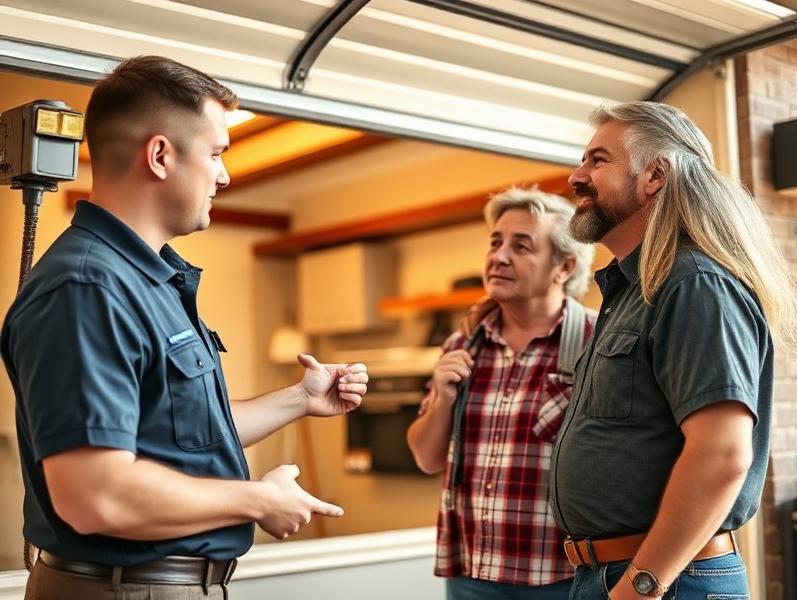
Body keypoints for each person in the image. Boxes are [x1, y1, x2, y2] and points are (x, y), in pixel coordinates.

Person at [0, 55, 369, 600]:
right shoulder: (88, 288)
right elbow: (94, 495)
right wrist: (256, 499)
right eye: (216, 153)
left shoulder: (144, 280)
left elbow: (178, 436)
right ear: (159, 155)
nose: (225, 174)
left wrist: (299, 399)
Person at [550, 101, 797, 599]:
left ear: (655, 175)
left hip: (663, 582)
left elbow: (722, 453)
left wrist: (640, 587)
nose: (577, 177)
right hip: (620, 577)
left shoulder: (694, 284)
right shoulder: (632, 292)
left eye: (598, 161)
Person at [407, 187, 596, 600]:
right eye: (496, 242)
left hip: (563, 575)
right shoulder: (462, 344)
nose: (499, 257)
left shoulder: (597, 342)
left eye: (522, 246)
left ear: (564, 266)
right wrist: (441, 397)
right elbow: (426, 458)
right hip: (472, 573)